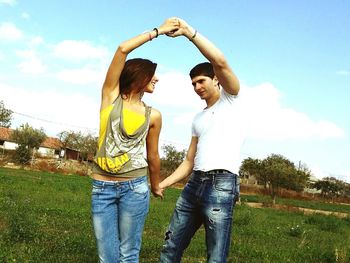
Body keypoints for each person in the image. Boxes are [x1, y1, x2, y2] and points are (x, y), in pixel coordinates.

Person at [91, 18, 180, 263]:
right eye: (152, 74)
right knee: (106, 255)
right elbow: (122, 49)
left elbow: (153, 155)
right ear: (139, 76)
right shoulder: (110, 98)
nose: (157, 79)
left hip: (135, 187)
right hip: (102, 188)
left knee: (129, 253)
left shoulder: (155, 115)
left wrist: (155, 184)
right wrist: (158, 31)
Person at [159, 18, 244, 263]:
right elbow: (188, 160)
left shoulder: (232, 100)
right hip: (194, 183)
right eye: (193, 83)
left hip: (222, 184)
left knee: (215, 256)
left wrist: (188, 32)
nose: (197, 87)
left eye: (201, 81)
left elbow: (220, 61)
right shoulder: (198, 118)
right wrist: (163, 183)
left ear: (216, 79)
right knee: (170, 246)